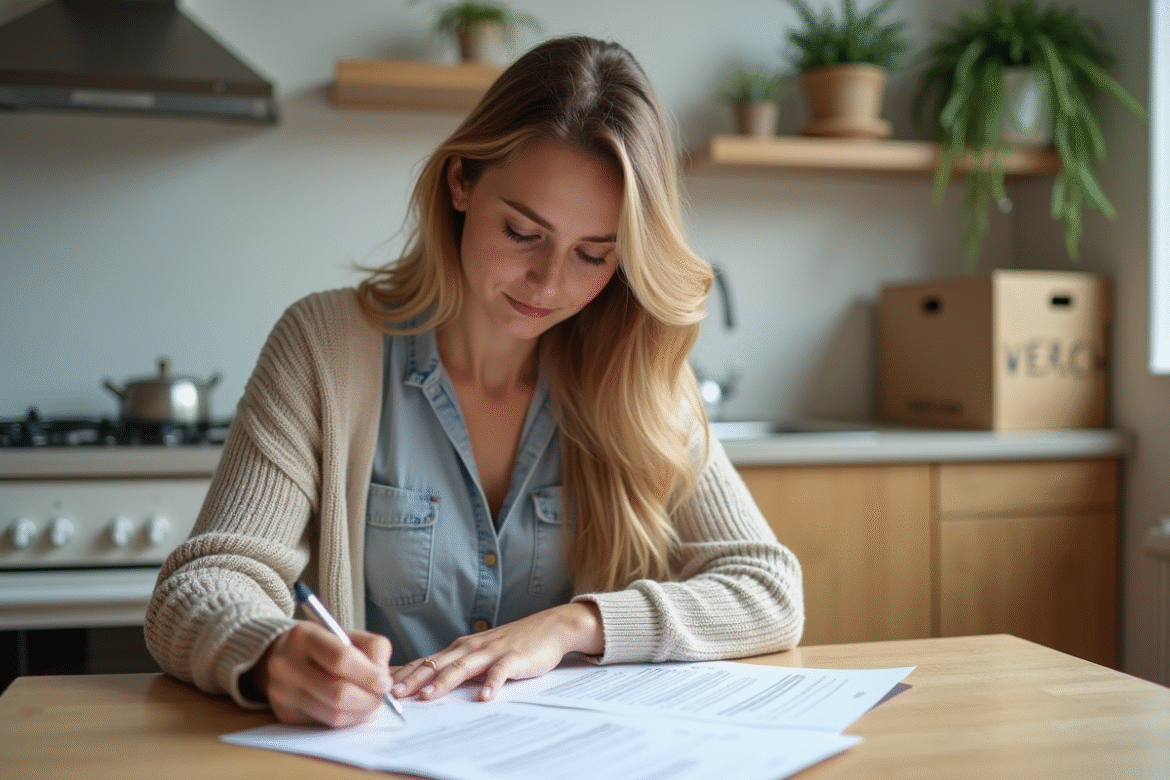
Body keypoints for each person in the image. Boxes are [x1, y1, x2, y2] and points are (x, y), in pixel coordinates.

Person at [145, 35, 803, 728]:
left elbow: (768, 590)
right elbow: (200, 585)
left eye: (592, 255)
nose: (549, 284)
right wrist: (272, 653)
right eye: (523, 233)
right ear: (461, 182)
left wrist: (573, 625)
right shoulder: (325, 347)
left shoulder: (634, 373)